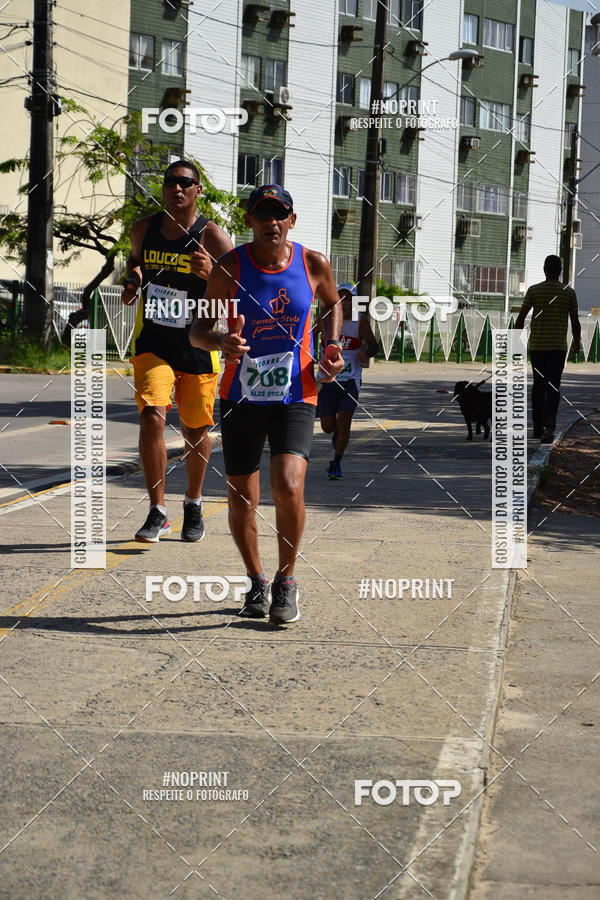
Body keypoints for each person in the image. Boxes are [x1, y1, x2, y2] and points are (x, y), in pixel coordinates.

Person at [189, 184, 344, 625]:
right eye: (261, 214)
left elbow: (334, 304)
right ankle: (256, 579)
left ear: (291, 220)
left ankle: (287, 581)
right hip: (241, 394)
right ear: (250, 221)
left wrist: (331, 346)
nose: (270, 222)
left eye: (279, 214)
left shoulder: (313, 264)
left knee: (289, 484)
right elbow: (198, 331)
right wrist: (221, 340)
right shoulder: (230, 267)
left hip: (297, 390)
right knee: (242, 497)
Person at [122, 160, 233, 542]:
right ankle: (157, 510)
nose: (177, 188)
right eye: (171, 182)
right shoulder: (143, 229)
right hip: (153, 341)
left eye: (186, 182)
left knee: (195, 429)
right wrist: (133, 281)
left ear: (198, 190)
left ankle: (194, 502)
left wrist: (211, 274)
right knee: (152, 415)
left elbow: (239, 290)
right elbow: (136, 265)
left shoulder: (214, 237)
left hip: (199, 344)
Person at [314, 282, 378, 479]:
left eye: (349, 298)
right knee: (328, 426)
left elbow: (374, 346)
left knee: (345, 419)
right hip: (327, 378)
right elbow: (308, 337)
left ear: (355, 301)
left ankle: (336, 462)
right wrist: (309, 355)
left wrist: (366, 353)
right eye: (341, 297)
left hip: (351, 378)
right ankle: (336, 435)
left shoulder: (360, 322)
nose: (345, 302)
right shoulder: (326, 319)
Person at [515, 254, 581, 444]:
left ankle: (537, 428)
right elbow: (575, 321)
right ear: (560, 271)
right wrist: (577, 341)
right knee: (553, 386)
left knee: (538, 386)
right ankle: (549, 427)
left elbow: (520, 318)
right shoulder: (568, 292)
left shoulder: (534, 291)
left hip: (537, 347)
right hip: (558, 348)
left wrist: (513, 343)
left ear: (544, 270)